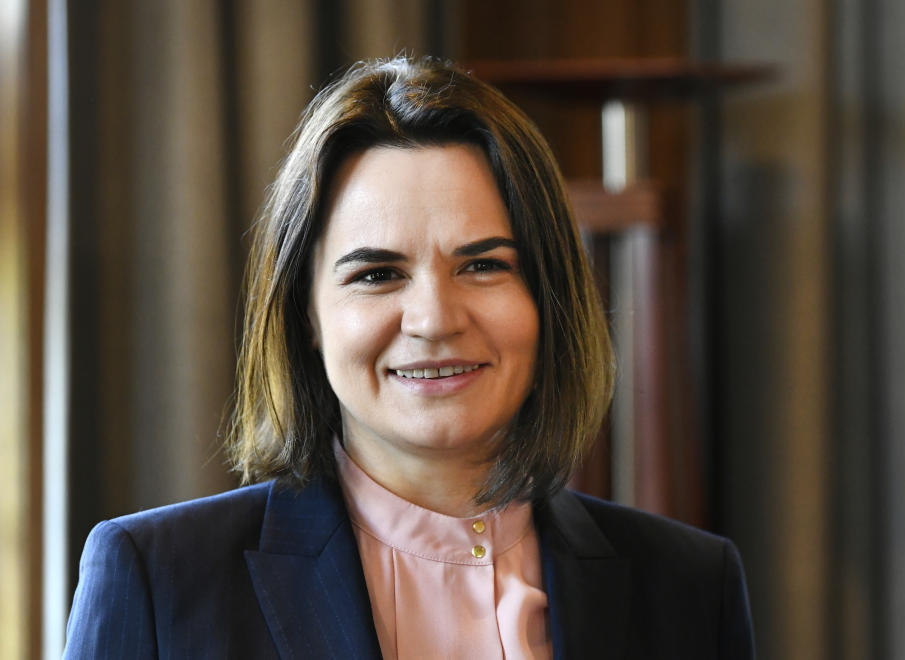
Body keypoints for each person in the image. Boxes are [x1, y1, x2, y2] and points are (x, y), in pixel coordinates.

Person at [64, 56, 754, 659]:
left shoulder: (691, 587)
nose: (433, 319)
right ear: (305, 313)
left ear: (549, 297)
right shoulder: (159, 579)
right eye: (377, 274)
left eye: (483, 265)